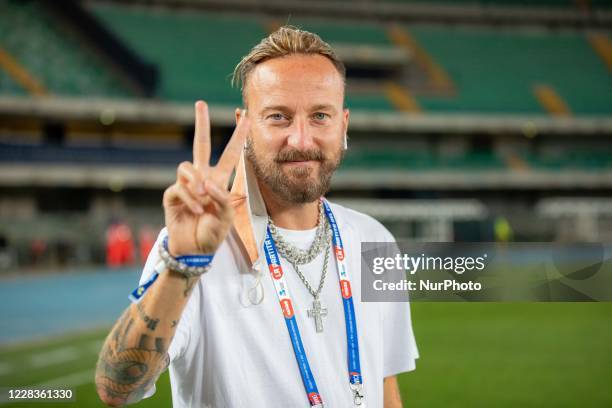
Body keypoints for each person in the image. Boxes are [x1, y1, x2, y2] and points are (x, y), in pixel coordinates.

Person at [95, 26, 418, 408]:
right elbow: (116, 389)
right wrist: (182, 265)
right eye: (279, 116)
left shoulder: (373, 240)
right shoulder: (193, 251)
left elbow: (385, 391)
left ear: (343, 124)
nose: (301, 139)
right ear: (244, 126)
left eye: (320, 116)